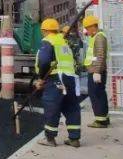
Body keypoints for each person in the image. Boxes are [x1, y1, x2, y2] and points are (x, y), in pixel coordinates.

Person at [35, 18, 81, 147]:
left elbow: (43, 61)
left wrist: (41, 78)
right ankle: (74, 138)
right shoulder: (63, 42)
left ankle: (50, 138)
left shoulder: (48, 41)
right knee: (71, 106)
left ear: (44, 31)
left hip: (56, 78)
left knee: (52, 105)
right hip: (70, 77)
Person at [82, 14, 110, 128]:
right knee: (99, 94)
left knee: (96, 95)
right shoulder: (96, 36)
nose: (86, 31)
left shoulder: (99, 37)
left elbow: (100, 55)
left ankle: (100, 120)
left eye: (87, 28)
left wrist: (97, 71)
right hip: (95, 70)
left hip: (96, 72)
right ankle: (103, 118)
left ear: (93, 26)